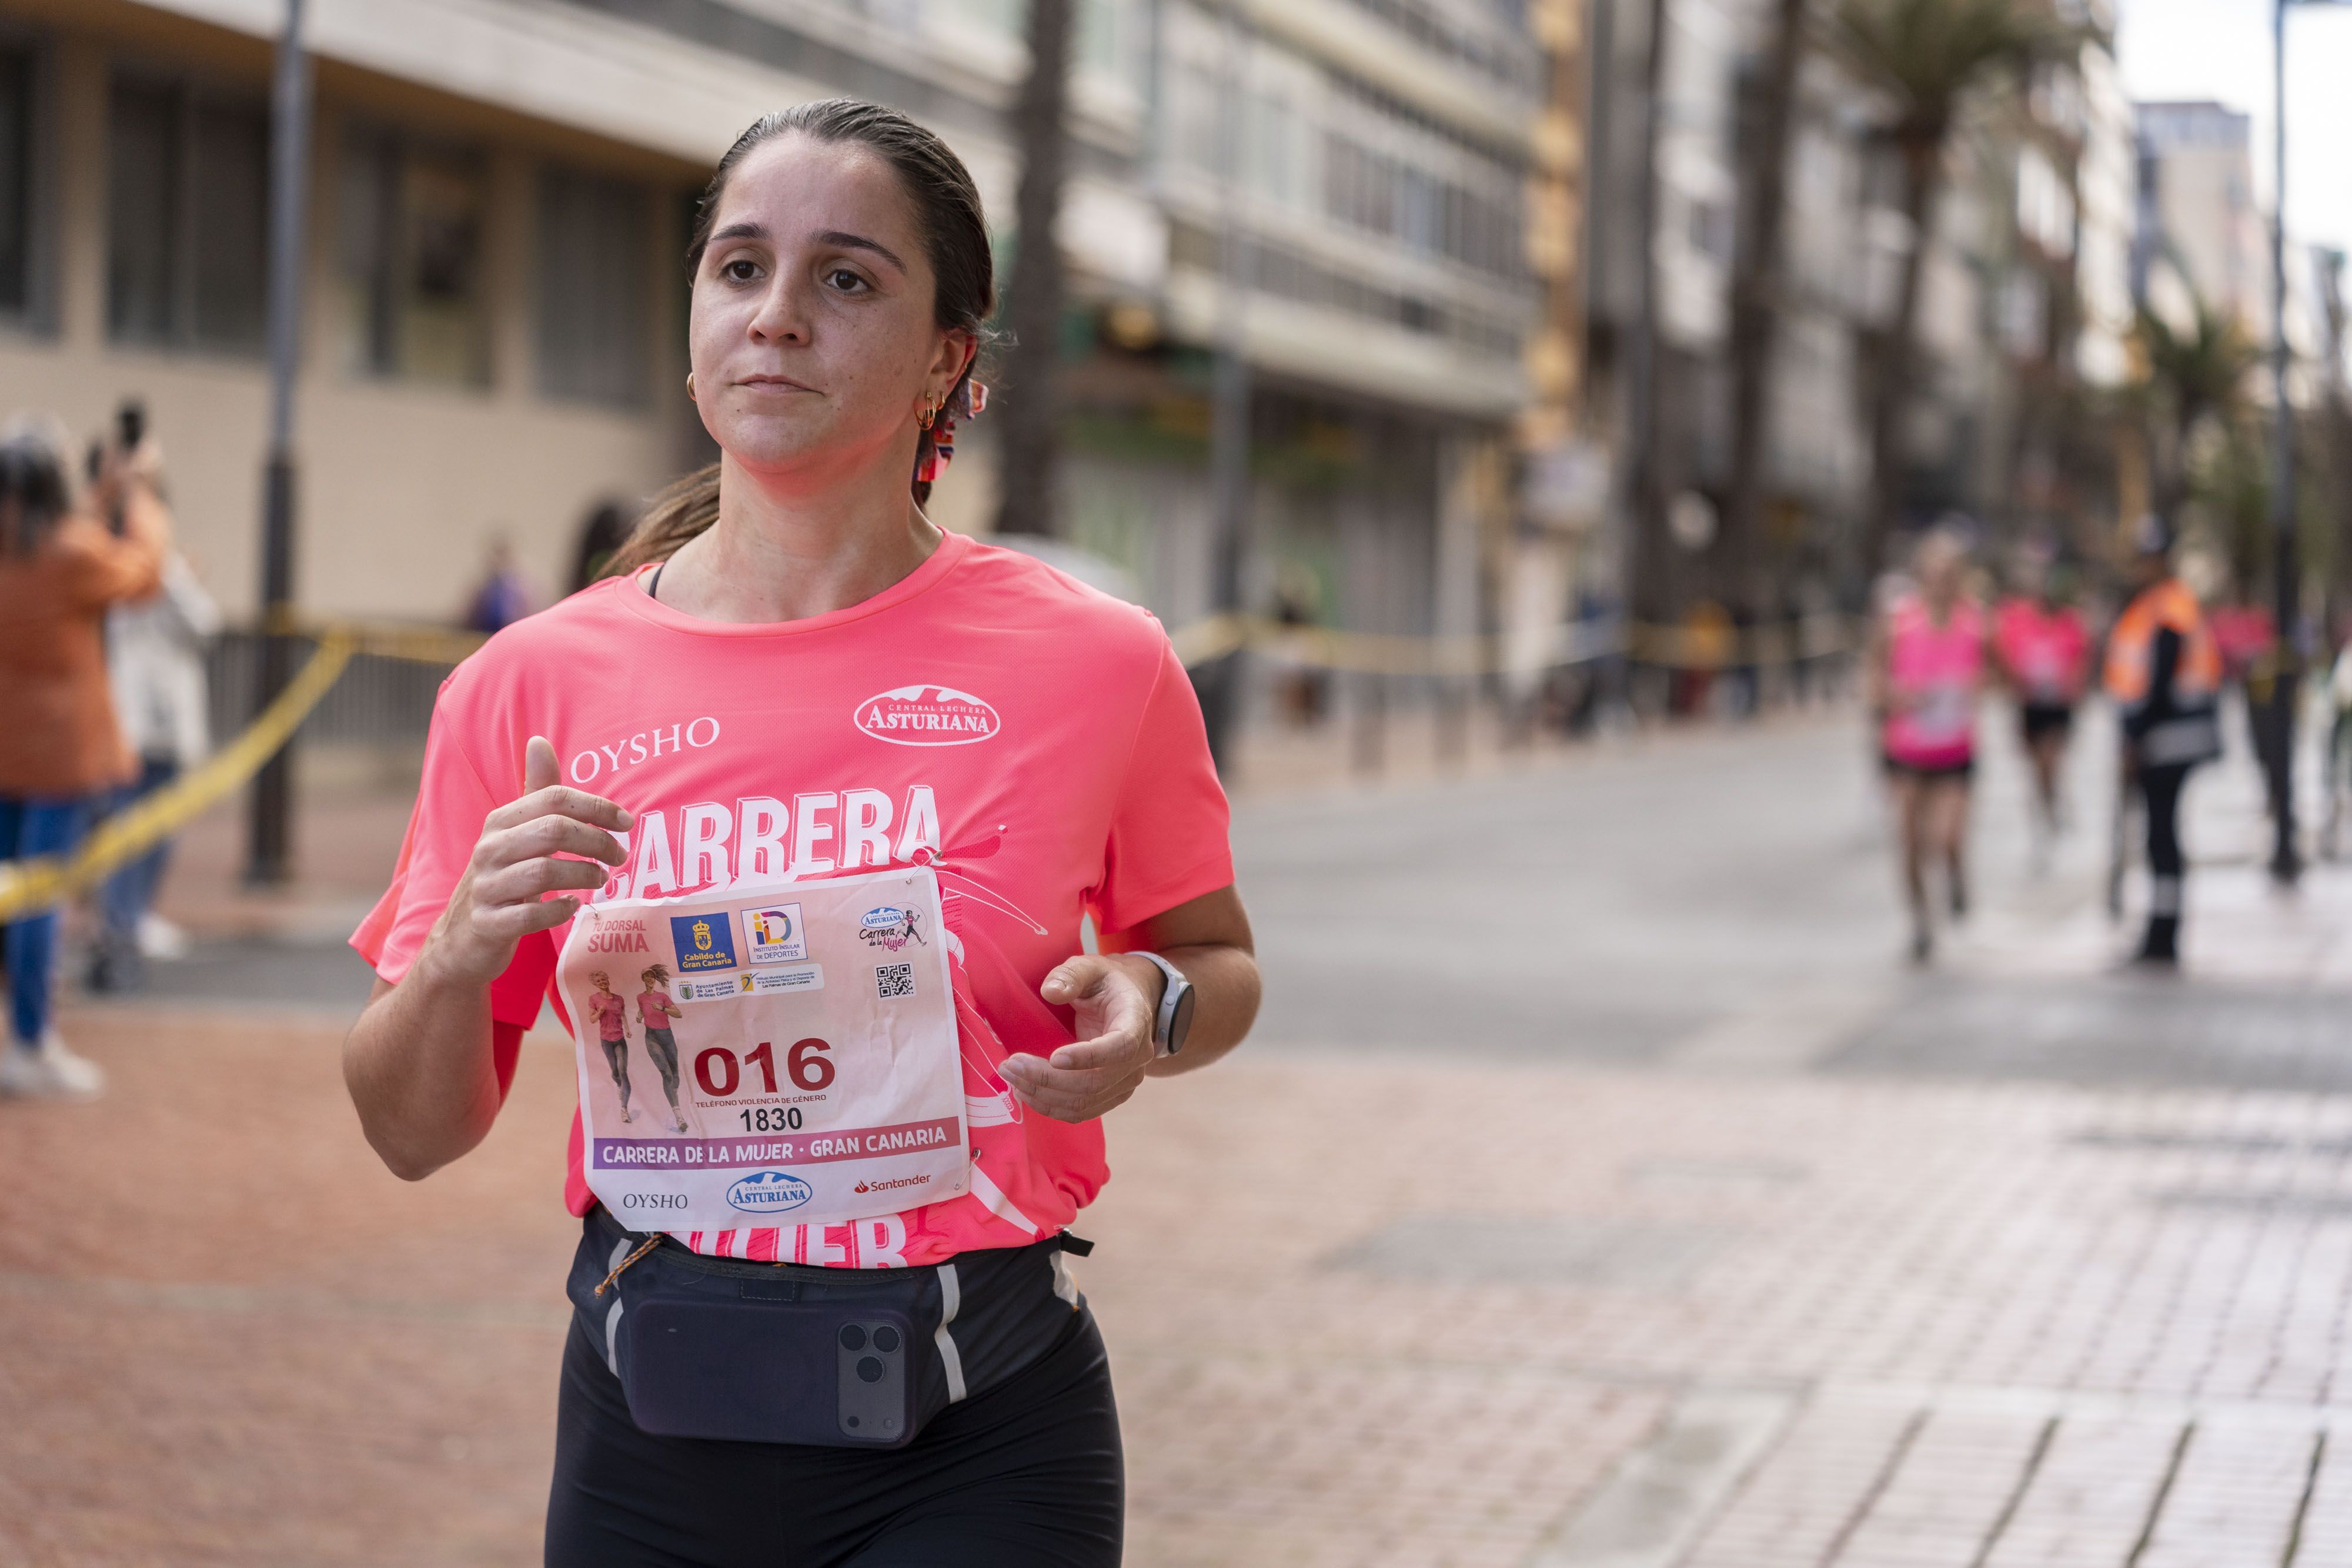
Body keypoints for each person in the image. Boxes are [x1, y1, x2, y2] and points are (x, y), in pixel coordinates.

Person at [341, 99, 1259, 1566]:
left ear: (945, 359)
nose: (776, 317)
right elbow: (409, 1132)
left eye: (845, 279)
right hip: (651, 1427)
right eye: (738, 268)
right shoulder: (526, 686)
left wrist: (1152, 1007)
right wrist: (456, 957)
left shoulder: (1097, 662)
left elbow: (1213, 961)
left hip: (982, 1433)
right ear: (695, 314)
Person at [0, 419, 168, 1097]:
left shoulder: (26, 549)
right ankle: (33, 1043)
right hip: (62, 755)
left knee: (13, 896)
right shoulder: (71, 553)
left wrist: (102, 495)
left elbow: (74, 537)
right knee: (42, 899)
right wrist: (144, 499)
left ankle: (23, 1033)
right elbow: (142, 572)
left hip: (7, 749)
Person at [88, 409, 218, 992]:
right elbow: (204, 620)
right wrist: (183, 574)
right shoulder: (146, 562)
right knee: (140, 824)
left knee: (134, 823)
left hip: (134, 711)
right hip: (147, 715)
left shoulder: (106, 556)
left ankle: (125, 922)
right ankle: (122, 924)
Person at [2103, 514, 2221, 967]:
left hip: (2170, 740)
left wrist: (2134, 738)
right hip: (2167, 738)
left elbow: (2158, 682)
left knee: (2161, 836)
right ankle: (2158, 929)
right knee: (2159, 834)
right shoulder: (2155, 604)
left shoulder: (2169, 607)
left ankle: (2163, 936)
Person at [1868, 530, 1987, 963]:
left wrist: (1977, 687)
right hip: (1908, 749)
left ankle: (1956, 873)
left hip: (1955, 749)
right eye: (1934, 574)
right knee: (1910, 844)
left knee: (1946, 837)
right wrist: (1896, 694)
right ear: (1921, 577)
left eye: (1950, 574)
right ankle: (1920, 921)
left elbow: (1999, 674)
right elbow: (1873, 678)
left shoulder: (1976, 623)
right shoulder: (1899, 621)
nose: (1942, 582)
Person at [1993, 544, 2090, 854]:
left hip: (2058, 705)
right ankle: (2044, 804)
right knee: (2036, 767)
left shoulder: (2070, 622)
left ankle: (2052, 803)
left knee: (2052, 760)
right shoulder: (2016, 617)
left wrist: (2073, 685)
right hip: (2030, 704)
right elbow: (2002, 654)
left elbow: (2082, 660)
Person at [635, 963, 687, 1133]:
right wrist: (639, 1016)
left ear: (655, 980)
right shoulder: (640, 997)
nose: (650, 979)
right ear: (643, 980)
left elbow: (679, 1014)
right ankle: (679, 1117)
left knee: (675, 1075)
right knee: (666, 1074)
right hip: (652, 1037)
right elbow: (642, 1010)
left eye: (652, 977)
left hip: (667, 1037)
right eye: (647, 977)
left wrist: (663, 1009)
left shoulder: (663, 996)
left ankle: (673, 1100)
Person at [582, 969, 634, 1122]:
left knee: (623, 1071)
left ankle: (624, 1109)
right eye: (599, 981)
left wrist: (628, 1029)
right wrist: (600, 1012)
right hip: (606, 1040)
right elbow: (592, 1019)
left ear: (608, 980)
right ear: (595, 984)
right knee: (615, 1071)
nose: (602, 982)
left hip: (620, 1039)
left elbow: (623, 1015)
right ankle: (618, 1085)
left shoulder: (619, 999)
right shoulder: (594, 999)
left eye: (604, 979)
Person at [462, 537, 533, 632]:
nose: (498, 560)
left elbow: (524, 611)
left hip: (508, 629)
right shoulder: (482, 585)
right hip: (482, 629)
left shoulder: (518, 586)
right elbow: (470, 611)